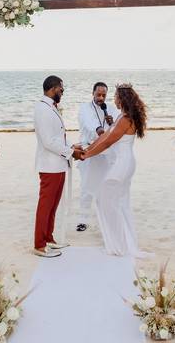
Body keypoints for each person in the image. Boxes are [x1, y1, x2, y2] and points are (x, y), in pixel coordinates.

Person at [80, 84, 145, 257]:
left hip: (122, 165)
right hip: (123, 163)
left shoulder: (125, 119)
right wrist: (86, 149)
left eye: (115, 96)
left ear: (122, 99)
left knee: (104, 199)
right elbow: (104, 137)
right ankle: (123, 242)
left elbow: (108, 142)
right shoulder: (121, 117)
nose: (113, 99)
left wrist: (87, 155)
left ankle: (119, 244)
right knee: (118, 203)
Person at [32, 75, 78, 257]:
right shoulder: (42, 109)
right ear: (52, 88)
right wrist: (70, 152)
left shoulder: (51, 107)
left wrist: (71, 146)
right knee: (45, 205)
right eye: (61, 88)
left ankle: (49, 238)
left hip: (59, 164)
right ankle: (39, 245)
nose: (63, 91)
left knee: (53, 206)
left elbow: (58, 137)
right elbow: (48, 141)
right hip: (49, 165)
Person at [75, 82, 118, 232]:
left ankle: (104, 218)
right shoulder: (85, 109)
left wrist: (112, 124)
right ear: (92, 93)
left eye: (103, 95)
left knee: (105, 186)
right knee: (87, 186)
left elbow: (118, 130)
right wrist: (101, 130)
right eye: (98, 94)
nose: (101, 98)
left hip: (107, 153)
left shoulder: (111, 109)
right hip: (90, 151)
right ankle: (83, 219)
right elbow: (89, 124)